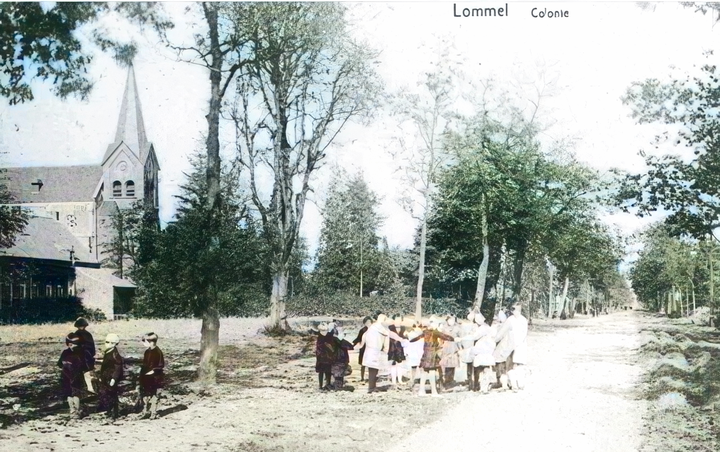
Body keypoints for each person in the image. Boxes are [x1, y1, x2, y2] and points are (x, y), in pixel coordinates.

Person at [356, 314, 407, 393]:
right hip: (373, 351)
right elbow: (389, 334)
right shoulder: (378, 327)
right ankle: (371, 388)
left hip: (373, 351)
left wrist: (400, 339)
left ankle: (372, 387)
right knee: (372, 370)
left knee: (374, 370)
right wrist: (400, 339)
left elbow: (365, 335)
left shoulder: (375, 327)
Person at [410, 318, 456, 397]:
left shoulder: (425, 332)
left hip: (425, 353)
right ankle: (434, 392)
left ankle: (421, 391)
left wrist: (410, 340)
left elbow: (414, 339)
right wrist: (454, 339)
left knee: (424, 372)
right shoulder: (435, 332)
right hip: (432, 354)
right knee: (432, 372)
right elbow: (445, 337)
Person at [58, 332, 91, 419]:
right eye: (77, 345)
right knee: (75, 394)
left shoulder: (65, 353)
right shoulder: (80, 354)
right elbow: (85, 366)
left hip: (67, 376)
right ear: (70, 344)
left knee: (70, 394)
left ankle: (73, 410)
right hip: (75, 376)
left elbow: (59, 364)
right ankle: (75, 410)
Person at [138, 332, 165, 419]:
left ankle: (153, 412)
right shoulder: (147, 352)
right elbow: (145, 363)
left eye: (144, 341)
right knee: (145, 395)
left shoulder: (158, 352)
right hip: (146, 378)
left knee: (155, 395)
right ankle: (146, 411)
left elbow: (160, 365)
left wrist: (153, 371)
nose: (143, 343)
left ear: (151, 342)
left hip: (155, 378)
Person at [98, 333, 124, 420]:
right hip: (106, 377)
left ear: (113, 343)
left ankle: (113, 413)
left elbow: (118, 368)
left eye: (108, 342)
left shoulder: (115, 354)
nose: (106, 344)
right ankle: (109, 411)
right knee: (106, 394)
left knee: (112, 394)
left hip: (111, 378)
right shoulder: (109, 352)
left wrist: (114, 378)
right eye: (106, 342)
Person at [507, 303, 529, 391]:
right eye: (513, 310)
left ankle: (521, 383)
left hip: (520, 345)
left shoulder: (523, 320)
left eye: (515, 310)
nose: (514, 312)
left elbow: (524, 333)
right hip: (510, 344)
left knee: (519, 365)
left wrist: (517, 343)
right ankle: (513, 384)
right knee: (511, 364)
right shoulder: (510, 319)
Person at [493, 310, 516, 390]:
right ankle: (513, 385)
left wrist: (492, 340)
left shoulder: (503, 326)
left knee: (502, 367)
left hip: (503, 349)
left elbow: (498, 337)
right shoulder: (511, 325)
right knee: (510, 367)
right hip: (510, 349)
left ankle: (504, 385)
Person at [73, 317, 96, 393]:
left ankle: (88, 387)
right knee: (83, 372)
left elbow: (92, 346)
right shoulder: (78, 334)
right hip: (82, 355)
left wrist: (92, 355)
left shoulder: (86, 334)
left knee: (86, 372)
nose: (81, 327)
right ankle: (84, 387)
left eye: (82, 326)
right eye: (80, 326)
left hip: (86, 355)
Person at [439, 315, 460, 388]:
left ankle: (451, 379)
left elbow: (459, 337)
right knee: (446, 364)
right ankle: (446, 380)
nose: (452, 322)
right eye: (450, 320)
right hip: (446, 346)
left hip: (454, 347)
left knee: (453, 364)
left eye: (453, 320)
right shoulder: (444, 328)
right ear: (447, 321)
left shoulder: (457, 328)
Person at [330, 325, 354, 390]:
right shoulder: (340, 341)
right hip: (340, 361)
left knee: (337, 376)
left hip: (335, 361)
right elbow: (350, 347)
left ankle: (336, 386)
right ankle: (338, 387)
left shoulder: (330, 341)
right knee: (339, 376)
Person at [315, 323, 336, 391]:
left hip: (327, 356)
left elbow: (332, 344)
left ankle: (328, 384)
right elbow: (319, 348)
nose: (324, 332)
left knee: (328, 371)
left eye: (325, 330)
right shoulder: (320, 337)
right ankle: (321, 385)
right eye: (322, 330)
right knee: (321, 372)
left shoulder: (328, 336)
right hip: (322, 357)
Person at [387, 314, 406, 388]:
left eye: (400, 320)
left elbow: (404, 337)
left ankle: (400, 380)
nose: (398, 321)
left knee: (400, 364)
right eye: (397, 319)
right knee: (393, 364)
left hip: (400, 348)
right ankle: (394, 381)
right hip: (392, 348)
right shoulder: (390, 328)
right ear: (394, 320)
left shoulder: (403, 328)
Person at [352, 316, 373, 383]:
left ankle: (371, 377)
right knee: (363, 364)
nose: (368, 323)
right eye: (367, 322)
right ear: (364, 323)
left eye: (369, 322)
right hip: (363, 348)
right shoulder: (362, 330)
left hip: (371, 348)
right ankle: (362, 378)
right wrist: (353, 345)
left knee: (371, 364)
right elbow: (358, 338)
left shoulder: (374, 330)